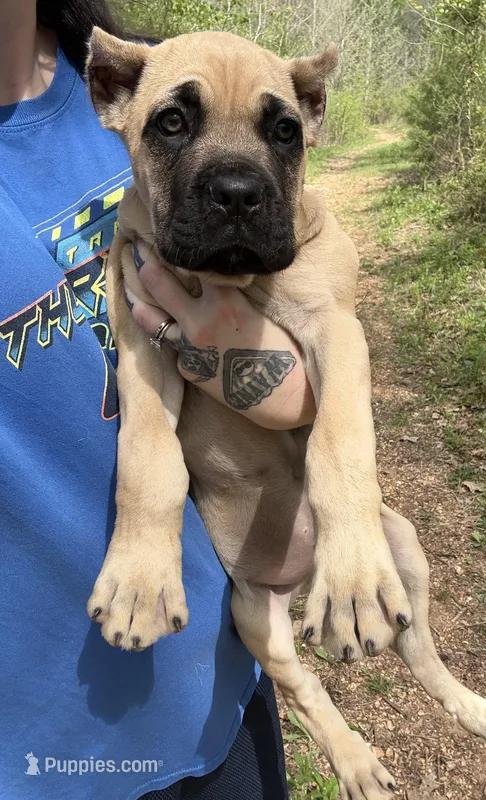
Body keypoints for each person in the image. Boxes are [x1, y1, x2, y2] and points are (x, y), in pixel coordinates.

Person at [0, 1, 315, 798]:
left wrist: (268, 391)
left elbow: (312, 330)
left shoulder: (157, 78)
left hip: (217, 685)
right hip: (39, 747)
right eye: (175, 132)